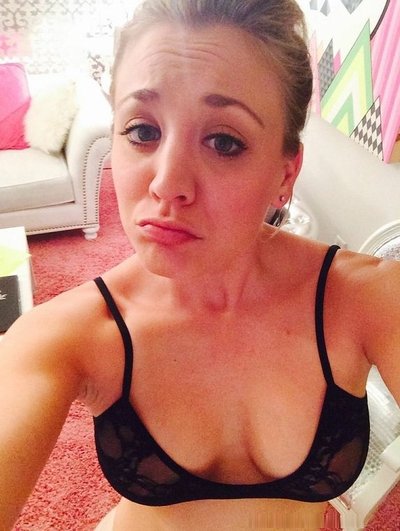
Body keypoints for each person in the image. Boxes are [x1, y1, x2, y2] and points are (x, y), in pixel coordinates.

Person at [1, 0, 399, 529]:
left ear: (285, 174)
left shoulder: (366, 299)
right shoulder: (66, 334)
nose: (167, 183)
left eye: (223, 141)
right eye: (142, 131)